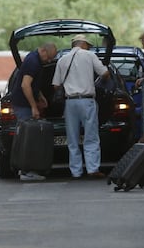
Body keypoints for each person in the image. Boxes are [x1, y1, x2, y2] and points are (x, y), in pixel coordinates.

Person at [52, 34, 110, 179]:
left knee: (72, 138)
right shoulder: (90, 56)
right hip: (87, 101)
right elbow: (105, 73)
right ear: (83, 44)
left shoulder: (62, 60)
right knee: (91, 136)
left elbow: (55, 85)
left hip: (70, 102)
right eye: (88, 45)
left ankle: (76, 171)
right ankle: (92, 169)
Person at [11, 42, 58, 181]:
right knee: (28, 139)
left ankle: (27, 170)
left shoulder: (34, 58)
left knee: (27, 137)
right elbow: (25, 85)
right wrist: (33, 106)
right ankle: (27, 171)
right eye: (48, 58)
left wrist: (40, 96)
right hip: (23, 105)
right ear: (43, 50)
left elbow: (33, 85)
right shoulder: (33, 62)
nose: (49, 61)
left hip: (23, 103)